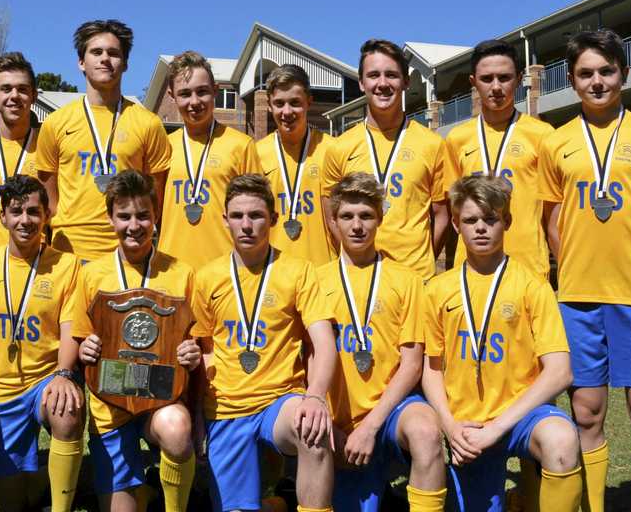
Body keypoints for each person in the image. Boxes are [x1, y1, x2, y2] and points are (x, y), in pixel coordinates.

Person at [537, 29, 631, 512]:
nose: (597, 81)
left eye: (606, 71)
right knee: (586, 416)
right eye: (586, 73)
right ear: (571, 80)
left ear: (623, 74)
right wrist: (575, 270)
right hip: (578, 303)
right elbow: (551, 224)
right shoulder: (556, 143)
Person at [422, 176, 583, 512]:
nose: (481, 228)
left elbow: (560, 373)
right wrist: (451, 426)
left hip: (519, 417)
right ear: (455, 223)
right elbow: (430, 369)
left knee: (562, 440)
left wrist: (497, 427)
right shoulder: (438, 289)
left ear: (506, 222)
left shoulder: (532, 286)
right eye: (470, 220)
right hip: (466, 426)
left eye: (490, 219)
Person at [190, 174, 337, 512]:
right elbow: (202, 353)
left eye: (256, 216)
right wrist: (198, 416)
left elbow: (324, 343)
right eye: (238, 216)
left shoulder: (299, 271)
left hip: (280, 402)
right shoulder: (207, 277)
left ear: (272, 219)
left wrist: (315, 397)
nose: (247, 225)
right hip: (225, 408)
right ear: (224, 219)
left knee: (311, 429)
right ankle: (277, 505)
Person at [73, 171, 202, 511]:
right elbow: (78, 339)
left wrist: (193, 351)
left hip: (162, 401)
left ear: (156, 216)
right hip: (110, 409)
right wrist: (84, 348)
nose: (134, 225)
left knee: (176, 429)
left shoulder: (181, 272)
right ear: (110, 218)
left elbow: (197, 341)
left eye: (143, 215)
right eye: (125, 216)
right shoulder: (91, 274)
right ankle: (143, 488)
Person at [318, 172, 442, 512]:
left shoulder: (407, 279)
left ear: (380, 218)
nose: (357, 225)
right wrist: (331, 426)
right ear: (333, 222)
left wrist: (371, 426)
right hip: (337, 419)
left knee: (426, 430)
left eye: (366, 216)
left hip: (391, 411)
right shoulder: (314, 281)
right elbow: (308, 362)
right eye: (347, 216)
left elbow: (412, 363)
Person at [0, 175, 84, 512]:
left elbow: (69, 328)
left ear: (47, 215)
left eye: (34, 211)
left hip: (46, 379)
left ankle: (62, 507)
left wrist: (64, 374)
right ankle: (34, 482)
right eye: (16, 211)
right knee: (12, 502)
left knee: (68, 410)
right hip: (0, 388)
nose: (25, 220)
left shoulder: (67, 264)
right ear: (2, 216)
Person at [34, 19, 171, 263]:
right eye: (96, 52)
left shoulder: (148, 123)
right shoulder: (55, 123)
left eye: (113, 53)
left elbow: (156, 199)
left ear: (125, 63)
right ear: (81, 62)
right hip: (69, 253)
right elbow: (49, 201)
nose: (105, 58)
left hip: (127, 253)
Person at [322, 39, 448, 277]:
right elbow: (330, 216)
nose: (382, 83)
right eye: (373, 75)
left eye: (391, 75)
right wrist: (357, 257)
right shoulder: (339, 147)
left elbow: (441, 215)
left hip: (416, 279)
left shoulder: (432, 144)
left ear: (406, 81)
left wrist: (421, 261)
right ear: (361, 83)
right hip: (361, 277)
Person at [442, 39, 553, 278]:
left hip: (528, 269)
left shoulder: (543, 135)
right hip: (470, 269)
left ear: (518, 78)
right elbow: (452, 212)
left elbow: (553, 214)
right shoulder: (456, 139)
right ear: (473, 82)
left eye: (504, 78)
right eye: (486, 78)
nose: (496, 87)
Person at [157, 50, 262, 270]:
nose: (194, 102)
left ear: (215, 91)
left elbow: (256, 213)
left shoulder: (241, 146)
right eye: (185, 94)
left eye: (202, 92)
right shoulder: (163, 146)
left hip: (226, 271)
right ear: (171, 95)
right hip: (171, 270)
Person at [255, 64, 336, 265]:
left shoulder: (333, 149)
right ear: (269, 105)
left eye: (295, 102)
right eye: (279, 103)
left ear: (309, 102)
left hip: (323, 272)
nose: (287, 111)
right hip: (273, 275)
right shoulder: (256, 153)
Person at [0, 51, 42, 260]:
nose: (14, 96)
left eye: (22, 89)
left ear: (34, 96)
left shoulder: (49, 147)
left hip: (39, 265)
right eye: (6, 89)